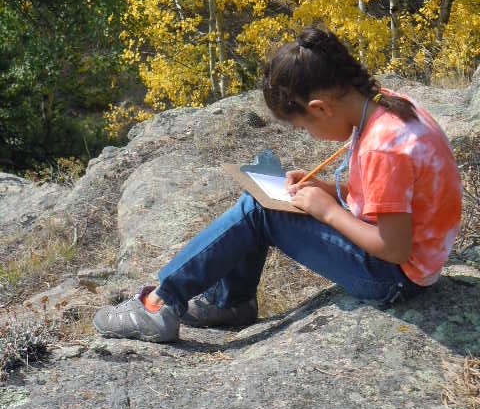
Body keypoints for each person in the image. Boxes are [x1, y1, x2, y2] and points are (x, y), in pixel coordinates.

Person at [93, 25, 462, 343]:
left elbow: (394, 248)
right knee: (260, 202)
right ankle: (229, 302)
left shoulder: (385, 145)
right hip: (406, 264)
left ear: (319, 107)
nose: (311, 135)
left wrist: (329, 211)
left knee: (258, 210)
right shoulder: (385, 105)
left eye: (304, 126)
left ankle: (162, 304)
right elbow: (391, 198)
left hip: (394, 278)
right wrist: (328, 188)